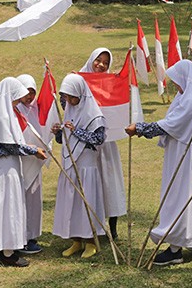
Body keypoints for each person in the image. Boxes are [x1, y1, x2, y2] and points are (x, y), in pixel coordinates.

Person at [125, 60, 192, 266]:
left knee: (179, 194)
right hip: (184, 152)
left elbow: (170, 124)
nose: (175, 85)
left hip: (185, 154)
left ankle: (175, 249)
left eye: (177, 80)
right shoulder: (187, 96)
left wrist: (140, 129)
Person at [0, 77, 47, 267]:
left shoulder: (6, 114)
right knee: (8, 207)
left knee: (1, 207)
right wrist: (33, 150)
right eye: (17, 99)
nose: (18, 102)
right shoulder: (2, 117)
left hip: (7, 166)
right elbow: (9, 146)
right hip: (6, 167)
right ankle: (8, 252)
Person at [51, 73, 106, 259]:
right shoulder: (69, 110)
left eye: (71, 97)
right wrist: (58, 132)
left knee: (86, 203)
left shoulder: (94, 114)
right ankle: (76, 240)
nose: (69, 101)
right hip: (70, 164)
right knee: (72, 203)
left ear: (80, 94)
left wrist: (77, 131)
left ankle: (90, 242)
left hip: (86, 167)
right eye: (66, 97)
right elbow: (64, 140)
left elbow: (98, 139)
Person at [80, 48, 126, 241]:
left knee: (110, 181)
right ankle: (88, 226)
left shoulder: (110, 83)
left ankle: (112, 227)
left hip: (107, 142)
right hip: (85, 144)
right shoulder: (79, 81)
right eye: (98, 60)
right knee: (89, 183)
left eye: (105, 63)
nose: (101, 65)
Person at [15, 74, 50, 255]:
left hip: (35, 162)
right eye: (26, 92)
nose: (29, 97)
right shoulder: (15, 110)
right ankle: (18, 237)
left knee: (34, 201)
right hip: (20, 162)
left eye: (32, 93)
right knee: (19, 200)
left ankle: (31, 236)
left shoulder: (37, 108)